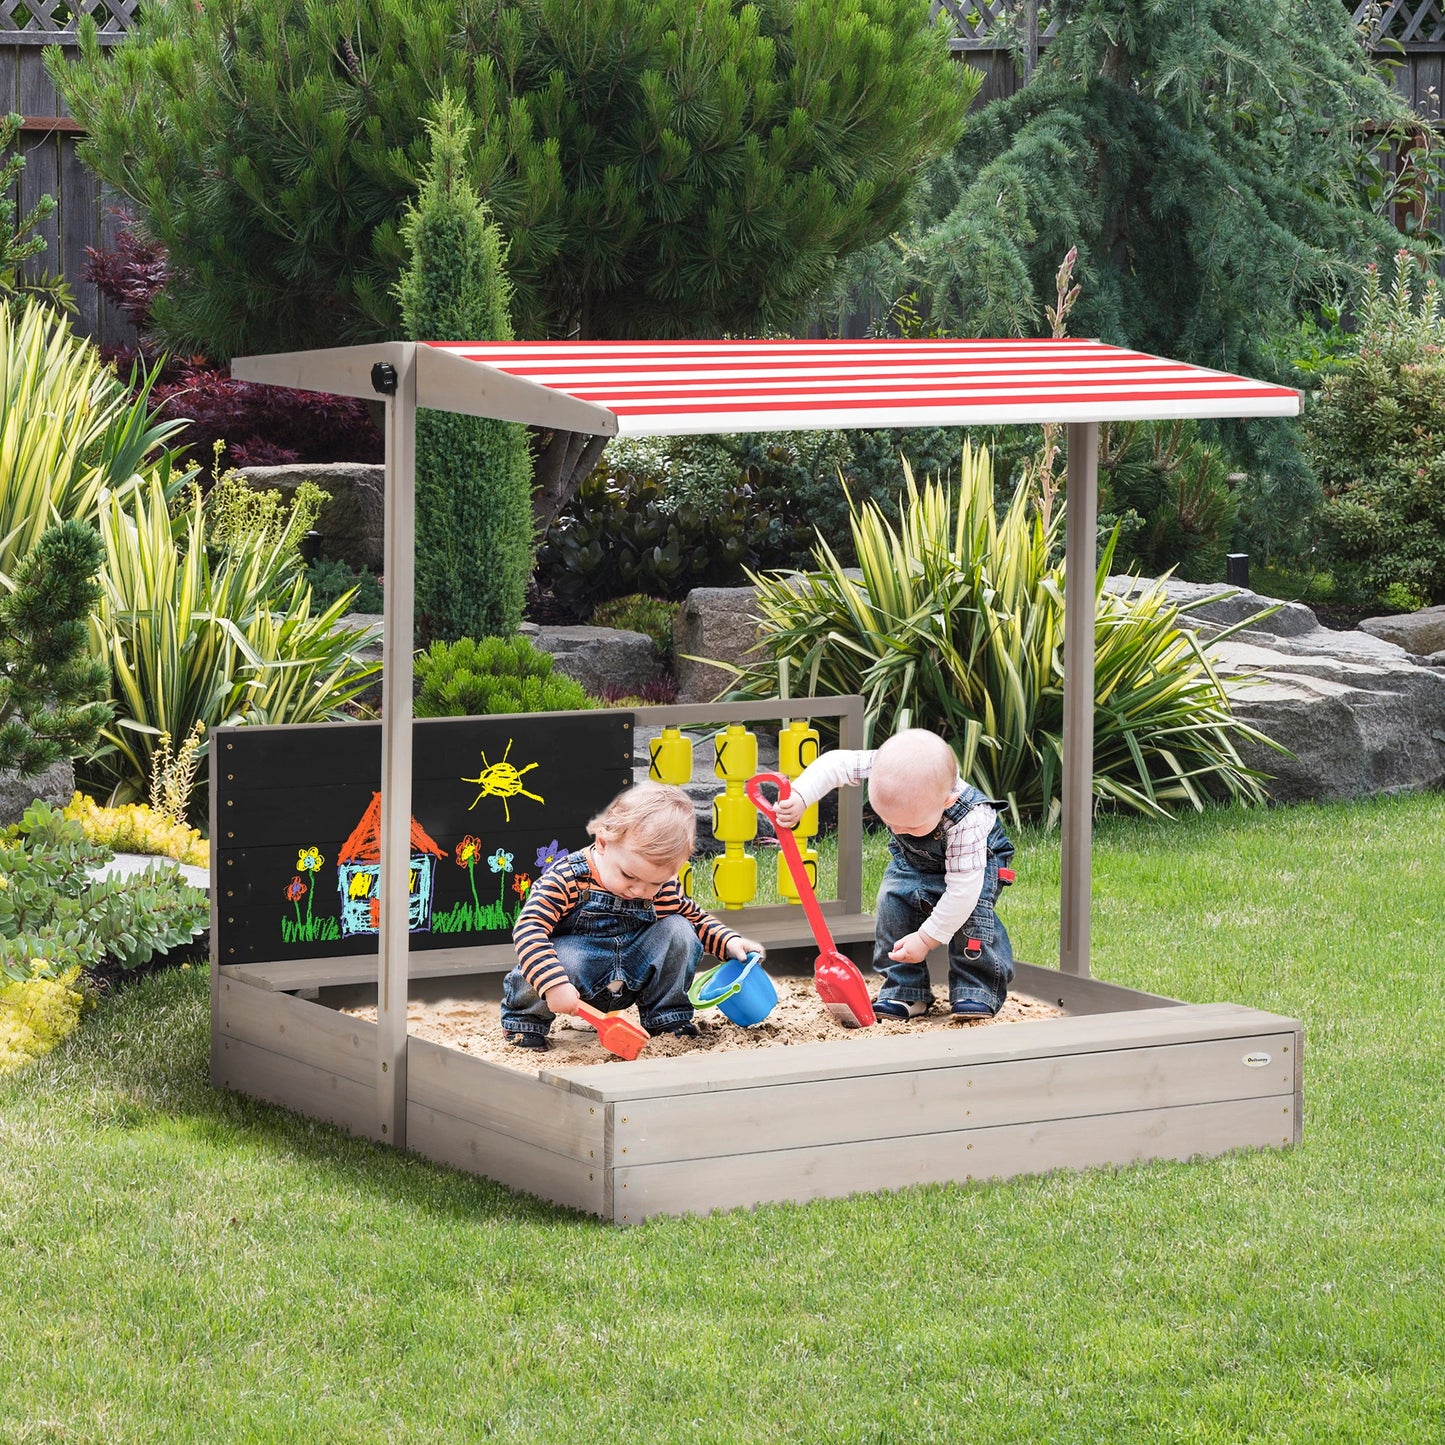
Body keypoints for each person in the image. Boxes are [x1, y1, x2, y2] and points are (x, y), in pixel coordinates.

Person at [502, 781, 765, 1051]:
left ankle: (667, 1017)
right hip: (571, 982)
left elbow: (695, 919)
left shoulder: (662, 890)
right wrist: (552, 983)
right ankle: (526, 1023)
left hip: (630, 976)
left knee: (680, 930)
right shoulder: (568, 879)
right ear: (603, 842)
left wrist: (730, 942)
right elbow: (529, 928)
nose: (640, 890)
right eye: (629, 875)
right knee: (554, 957)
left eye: (655, 883)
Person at [773, 728, 1015, 1020]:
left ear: (946, 803)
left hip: (978, 863)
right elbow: (835, 763)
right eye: (890, 822)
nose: (898, 831)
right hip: (912, 861)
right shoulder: (886, 766)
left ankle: (975, 990)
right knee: (892, 905)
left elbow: (961, 893)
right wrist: (800, 796)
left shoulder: (970, 821)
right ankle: (905, 991)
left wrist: (926, 939)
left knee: (972, 919)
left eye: (910, 827)